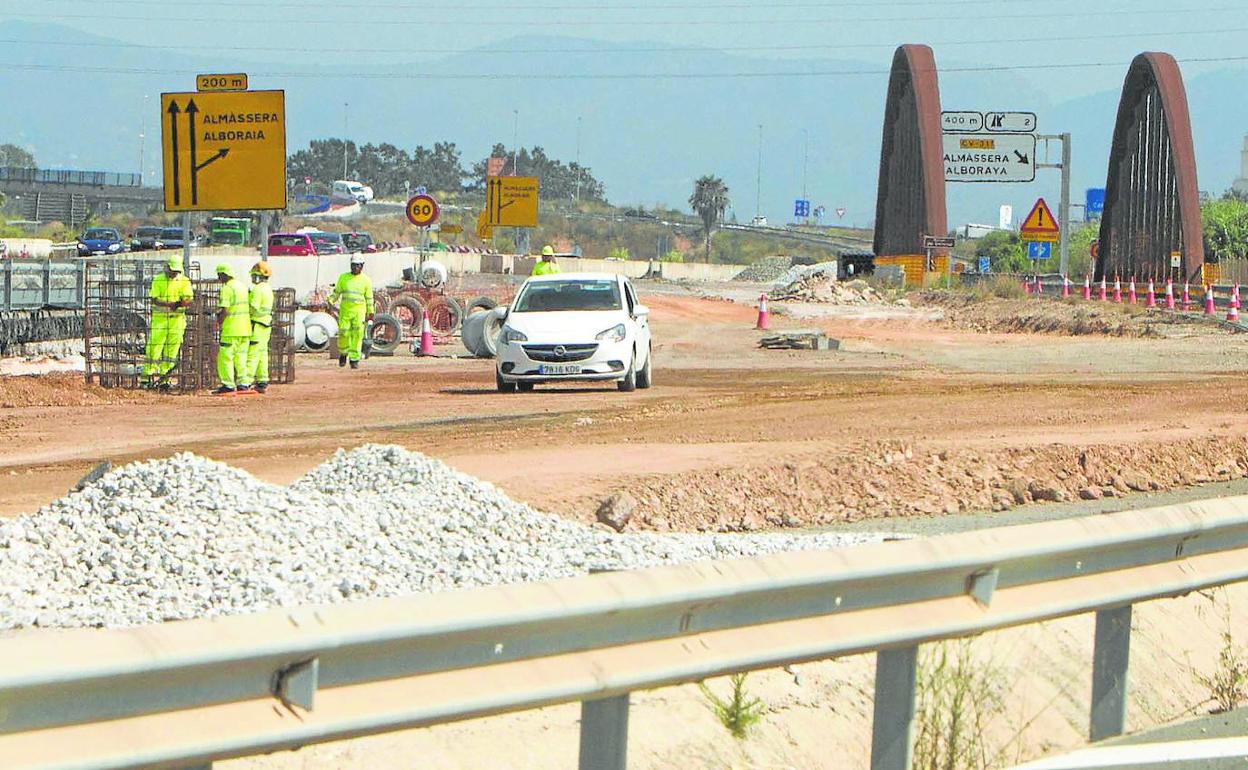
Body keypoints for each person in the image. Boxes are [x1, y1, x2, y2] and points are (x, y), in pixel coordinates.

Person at [142, 255, 193, 391]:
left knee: (171, 351)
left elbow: (188, 299)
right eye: (172, 271)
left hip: (177, 320)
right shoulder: (158, 280)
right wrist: (170, 304)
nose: (174, 274)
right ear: (167, 268)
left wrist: (181, 303)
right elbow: (154, 299)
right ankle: (147, 377)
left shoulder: (184, 281)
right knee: (154, 348)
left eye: (176, 271)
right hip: (160, 320)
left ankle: (165, 378)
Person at [329, 254, 373, 369]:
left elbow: (369, 298)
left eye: (357, 265)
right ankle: (343, 353)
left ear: (362, 266)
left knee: (357, 335)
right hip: (345, 312)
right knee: (344, 332)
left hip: (359, 312)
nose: (355, 268)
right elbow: (337, 293)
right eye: (353, 265)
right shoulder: (343, 278)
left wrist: (371, 312)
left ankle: (354, 359)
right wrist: (331, 301)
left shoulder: (366, 281)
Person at [213, 263, 251, 395]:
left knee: (226, 357)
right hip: (245, 328)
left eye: (219, 276)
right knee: (241, 357)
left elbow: (225, 309)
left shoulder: (227, 289)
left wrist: (219, 321)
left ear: (224, 275)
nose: (219, 279)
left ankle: (228, 384)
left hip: (231, 329)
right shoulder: (242, 287)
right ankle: (243, 384)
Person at [242, 261, 274, 394]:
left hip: (257, 325)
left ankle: (246, 382)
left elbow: (252, 308)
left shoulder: (257, 289)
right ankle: (262, 380)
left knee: (253, 354)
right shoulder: (268, 288)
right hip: (266, 325)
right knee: (262, 353)